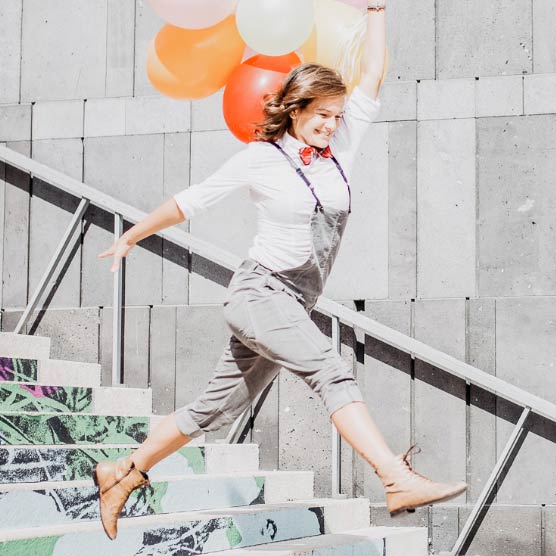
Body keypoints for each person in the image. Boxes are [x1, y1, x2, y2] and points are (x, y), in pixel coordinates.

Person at [93, 0, 466, 541]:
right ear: (295, 108)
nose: (330, 124)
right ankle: (394, 476)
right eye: (320, 115)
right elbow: (189, 201)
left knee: (209, 411)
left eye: (337, 116)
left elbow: (373, 72)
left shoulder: (341, 146)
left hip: (293, 304)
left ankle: (122, 474)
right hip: (258, 292)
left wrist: (378, 9)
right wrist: (131, 235)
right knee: (330, 371)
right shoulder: (261, 158)